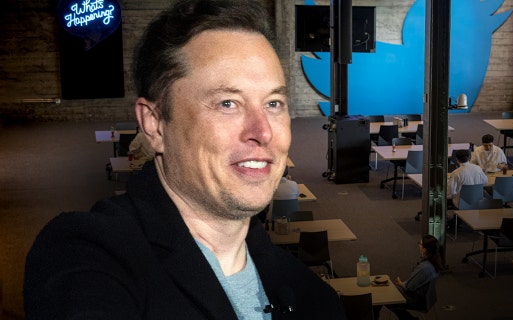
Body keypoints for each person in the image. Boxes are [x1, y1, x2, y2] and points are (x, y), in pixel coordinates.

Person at [23, 1, 345, 319]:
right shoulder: (90, 251)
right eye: (228, 103)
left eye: (274, 103)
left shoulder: (313, 296)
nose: (263, 132)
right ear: (155, 124)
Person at [387, 235, 443, 320]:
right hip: (426, 297)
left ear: (424, 249)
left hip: (416, 299)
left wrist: (400, 283)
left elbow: (408, 287)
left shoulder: (423, 268)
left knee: (384, 297)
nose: (419, 246)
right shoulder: (434, 263)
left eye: (420, 244)